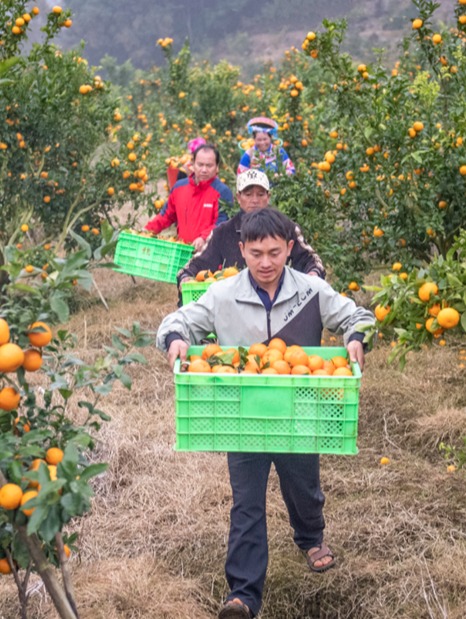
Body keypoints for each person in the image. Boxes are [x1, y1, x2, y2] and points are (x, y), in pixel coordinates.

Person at [157, 208, 375, 619]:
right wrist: (174, 338)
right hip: (244, 415)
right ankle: (243, 595)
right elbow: (181, 320)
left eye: (275, 252)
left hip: (300, 411)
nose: (266, 262)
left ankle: (310, 537)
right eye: (256, 253)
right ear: (241, 250)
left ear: (290, 249)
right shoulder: (223, 294)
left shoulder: (311, 290)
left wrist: (356, 336)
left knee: (303, 483)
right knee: (246, 503)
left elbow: (357, 314)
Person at [178, 169, 323, 289]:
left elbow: (309, 259)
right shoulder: (222, 232)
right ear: (238, 198)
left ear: (268, 197)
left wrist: (313, 273)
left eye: (260, 194)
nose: (255, 200)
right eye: (248, 195)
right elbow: (198, 264)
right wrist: (186, 277)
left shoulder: (286, 227)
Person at [145, 144, 233, 249]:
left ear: (217, 166)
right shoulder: (179, 187)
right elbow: (167, 215)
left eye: (209, 165)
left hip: (209, 253)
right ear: (192, 164)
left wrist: (204, 238)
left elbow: (222, 223)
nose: (204, 170)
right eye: (200, 165)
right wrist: (147, 230)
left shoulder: (222, 192)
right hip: (182, 250)